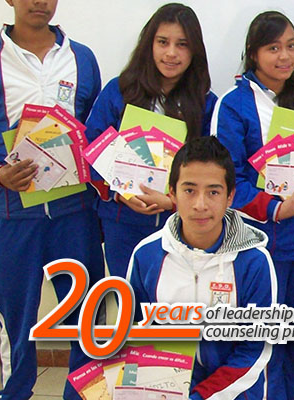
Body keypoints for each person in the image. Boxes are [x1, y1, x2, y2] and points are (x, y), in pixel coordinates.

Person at [211, 11, 294, 399]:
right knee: (264, 334)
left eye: (291, 46)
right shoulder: (233, 105)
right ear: (253, 53)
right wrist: (274, 209)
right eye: (273, 48)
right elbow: (226, 179)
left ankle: (292, 393)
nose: (285, 56)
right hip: (263, 242)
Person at [0, 0, 105, 398]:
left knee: (85, 316)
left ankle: (83, 393)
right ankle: (14, 392)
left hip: (75, 213)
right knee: (16, 320)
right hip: (12, 215)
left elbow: (96, 131)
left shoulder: (82, 58)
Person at [127, 136, 278, 399]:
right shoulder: (146, 255)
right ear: (172, 193)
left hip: (235, 392)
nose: (200, 204)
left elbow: (254, 350)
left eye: (213, 192)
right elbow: (136, 333)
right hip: (168, 388)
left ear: (230, 196)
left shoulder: (254, 262)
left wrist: (200, 397)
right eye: (189, 190)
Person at [85, 3, 216, 279]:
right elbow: (92, 150)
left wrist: (173, 202)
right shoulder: (119, 91)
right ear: (149, 44)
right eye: (163, 42)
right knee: (130, 297)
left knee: (175, 301)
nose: (171, 53)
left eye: (182, 44)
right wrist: (120, 193)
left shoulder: (206, 103)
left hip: (180, 225)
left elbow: (211, 169)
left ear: (195, 50)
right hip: (122, 222)